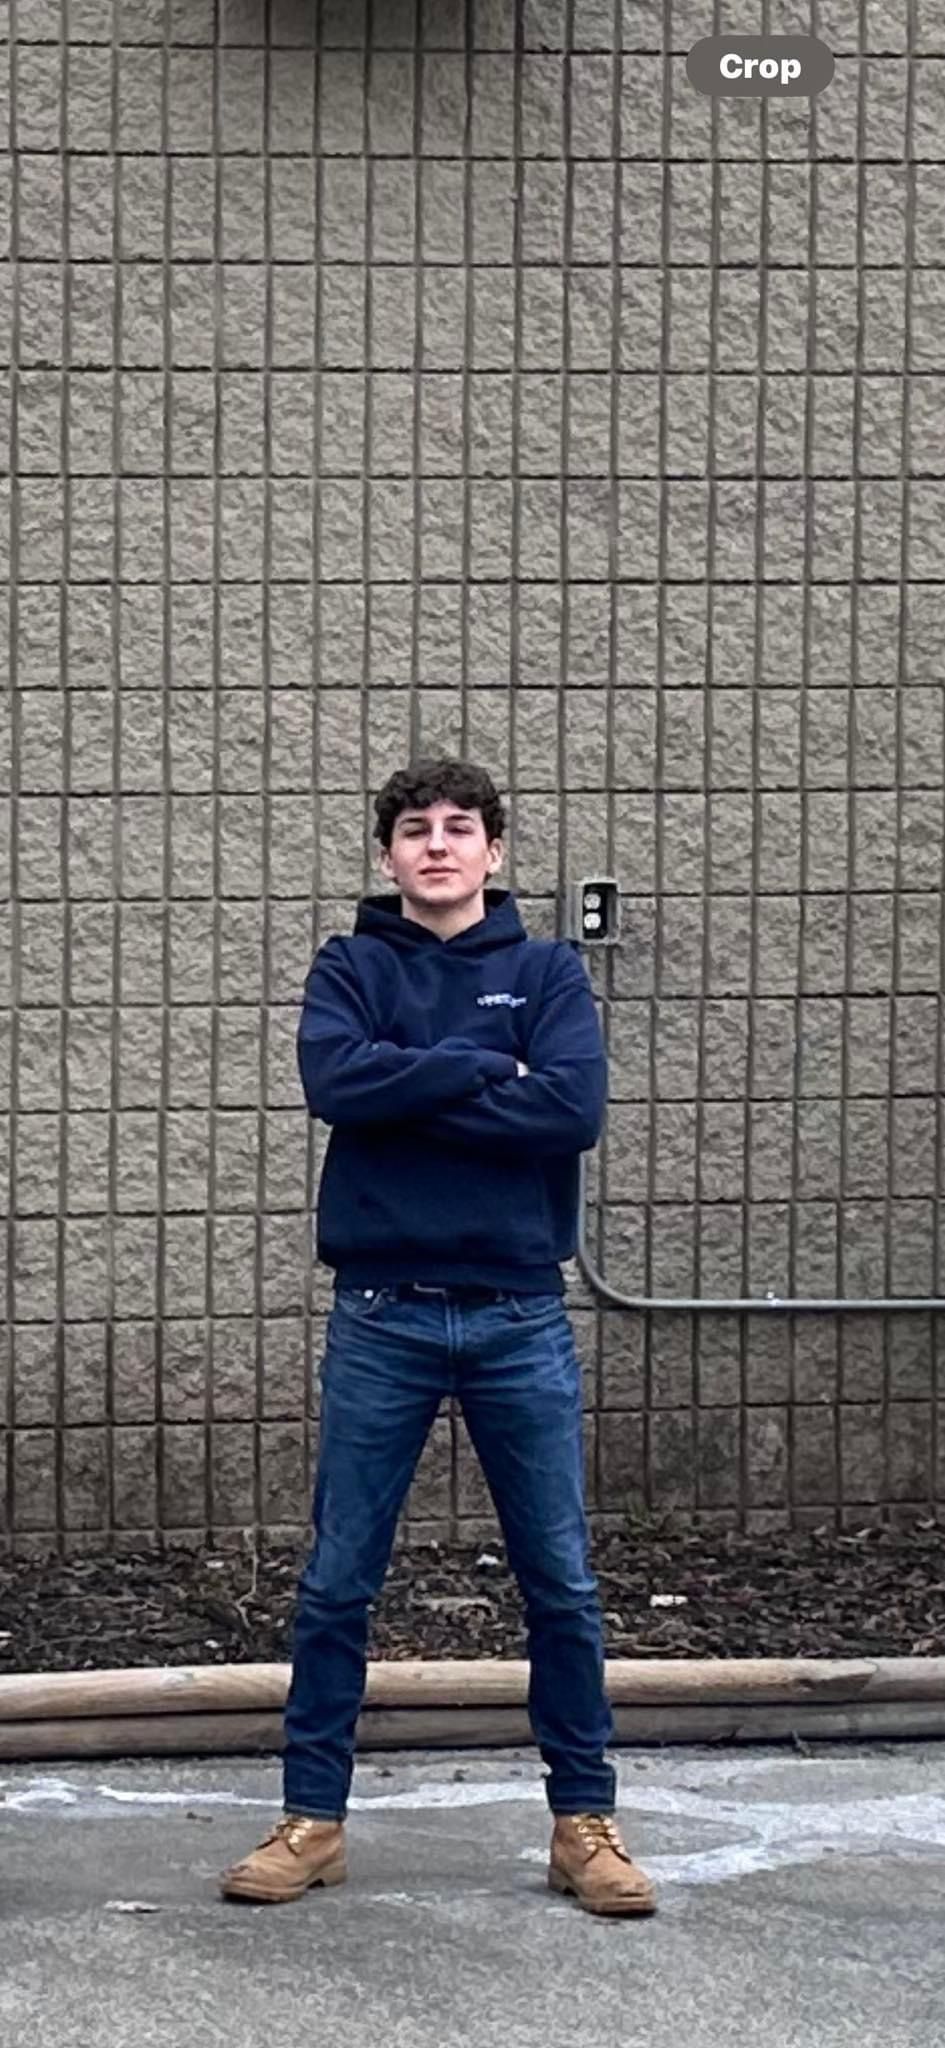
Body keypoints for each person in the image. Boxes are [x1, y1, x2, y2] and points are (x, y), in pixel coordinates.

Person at [220, 756, 655, 1917]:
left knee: (558, 1580)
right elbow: (333, 1078)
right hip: (383, 1312)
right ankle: (313, 1820)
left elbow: (571, 1109)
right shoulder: (350, 964)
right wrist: (475, 1068)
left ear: (495, 852)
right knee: (336, 1579)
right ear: (388, 855)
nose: (439, 846)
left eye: (461, 828)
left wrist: (408, 1090)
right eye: (416, 830)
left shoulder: (549, 969)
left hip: (518, 1313)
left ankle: (583, 1822)